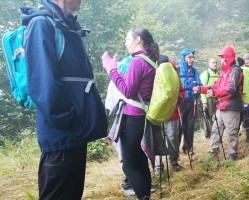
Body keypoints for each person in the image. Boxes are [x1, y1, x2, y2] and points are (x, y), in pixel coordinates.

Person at [22, 0, 108, 199]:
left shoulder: (65, 24)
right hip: (61, 137)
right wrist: (68, 119)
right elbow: (41, 85)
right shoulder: (41, 24)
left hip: (75, 134)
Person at [101, 27, 160, 200]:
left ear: (138, 40)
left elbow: (127, 91)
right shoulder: (150, 61)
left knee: (129, 166)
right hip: (143, 117)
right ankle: (146, 195)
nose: (126, 42)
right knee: (141, 162)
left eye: (128, 39)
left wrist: (111, 70)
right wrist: (117, 72)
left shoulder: (137, 61)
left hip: (133, 118)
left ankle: (143, 197)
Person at [194, 46, 243, 160]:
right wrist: (202, 89)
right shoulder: (224, 72)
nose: (221, 60)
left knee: (232, 132)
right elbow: (215, 85)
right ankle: (213, 153)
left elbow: (231, 88)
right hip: (221, 106)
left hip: (231, 106)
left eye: (222, 57)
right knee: (216, 130)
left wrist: (214, 92)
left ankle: (232, 155)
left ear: (228, 58)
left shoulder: (235, 70)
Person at [154, 56, 185, 175]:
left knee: (172, 137)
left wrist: (179, 99)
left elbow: (181, 91)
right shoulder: (154, 73)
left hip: (172, 111)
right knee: (157, 138)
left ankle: (173, 161)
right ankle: (158, 165)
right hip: (157, 110)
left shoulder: (174, 74)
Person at [178, 49, 202, 155]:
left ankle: (188, 147)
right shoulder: (177, 70)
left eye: (192, 57)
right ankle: (175, 151)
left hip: (191, 101)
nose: (191, 59)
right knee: (179, 126)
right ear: (184, 58)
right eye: (189, 57)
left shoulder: (194, 71)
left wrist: (198, 89)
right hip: (180, 102)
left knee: (190, 125)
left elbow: (199, 84)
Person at [199, 58, 219, 138]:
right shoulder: (205, 74)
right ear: (209, 64)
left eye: (216, 62)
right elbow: (202, 89)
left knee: (218, 115)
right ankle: (209, 134)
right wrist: (204, 102)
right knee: (208, 116)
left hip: (217, 97)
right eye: (213, 62)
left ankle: (215, 132)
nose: (215, 64)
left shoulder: (219, 73)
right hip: (208, 98)